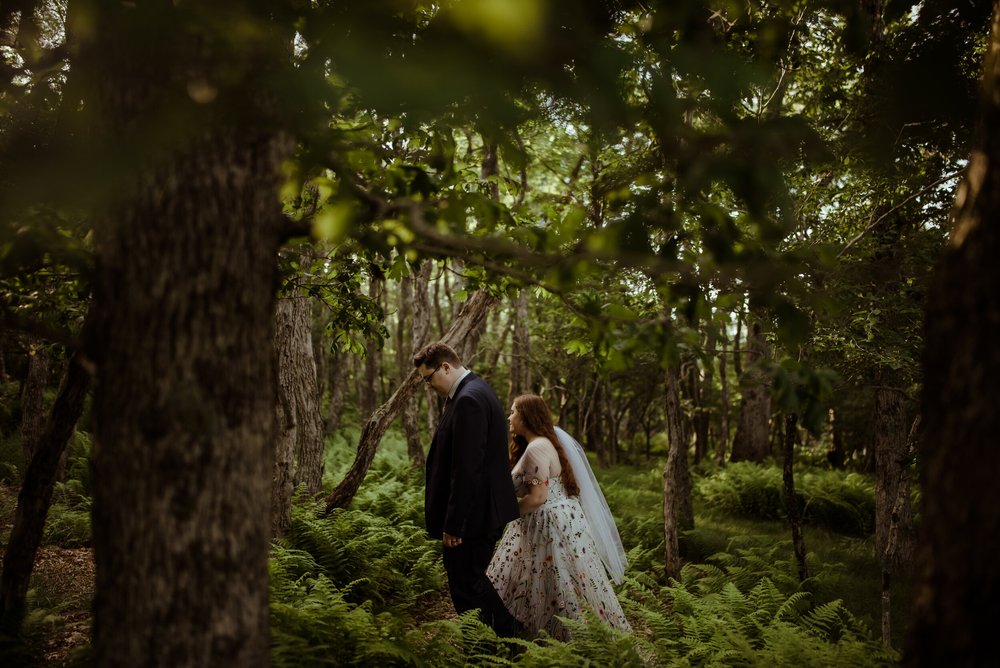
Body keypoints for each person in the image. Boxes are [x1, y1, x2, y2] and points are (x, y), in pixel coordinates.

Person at [487, 394, 631, 640]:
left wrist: (500, 516)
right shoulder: (543, 444)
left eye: (513, 412)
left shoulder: (536, 449)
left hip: (547, 525)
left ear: (527, 416)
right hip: (557, 521)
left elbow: (538, 496)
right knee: (555, 582)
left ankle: (563, 641)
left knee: (556, 584)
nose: (509, 417)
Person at [413, 342, 522, 636]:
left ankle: (508, 639)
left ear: (446, 367)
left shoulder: (469, 399)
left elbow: (467, 469)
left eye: (428, 377)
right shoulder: (472, 391)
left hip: (474, 516)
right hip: (478, 513)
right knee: (468, 581)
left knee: (467, 583)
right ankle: (493, 642)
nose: (427, 385)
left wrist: (455, 524)